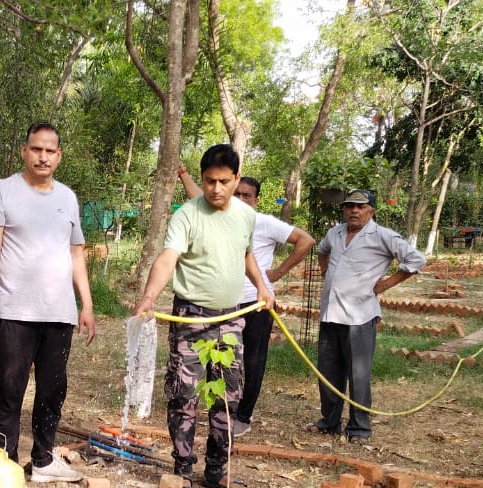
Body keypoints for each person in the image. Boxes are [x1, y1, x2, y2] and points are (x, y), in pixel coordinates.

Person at [132, 144, 274, 488]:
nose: (216, 189)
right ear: (202, 178)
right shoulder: (187, 215)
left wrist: (262, 287)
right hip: (191, 318)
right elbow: (167, 258)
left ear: (236, 178)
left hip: (232, 320)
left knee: (228, 397)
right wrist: (149, 297)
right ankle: (182, 469)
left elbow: (246, 255)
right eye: (209, 181)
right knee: (184, 396)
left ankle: (216, 468)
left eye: (224, 181)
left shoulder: (245, 216)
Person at [0, 122, 95, 482]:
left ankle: (42, 460)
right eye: (36, 149)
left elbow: (76, 254)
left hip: (59, 313)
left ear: (59, 156)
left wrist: (85, 304)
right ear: (24, 151)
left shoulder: (67, 198)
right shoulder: (3, 192)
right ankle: (7, 467)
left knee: (53, 389)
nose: (43, 156)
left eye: (50, 150)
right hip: (17, 312)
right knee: (11, 390)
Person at [177, 170, 315, 437]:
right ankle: (219, 408)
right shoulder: (216, 218)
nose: (240, 199)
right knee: (217, 357)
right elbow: (197, 197)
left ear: (256, 200)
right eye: (237, 193)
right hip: (222, 302)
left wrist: (276, 274)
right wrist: (183, 174)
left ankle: (243, 415)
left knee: (252, 360)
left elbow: (305, 241)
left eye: (247, 196)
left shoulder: (263, 222)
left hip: (255, 304)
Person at [307, 189, 426, 444]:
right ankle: (329, 422)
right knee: (328, 373)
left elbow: (416, 260)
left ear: (371, 211)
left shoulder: (381, 236)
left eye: (360, 207)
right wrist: (325, 269)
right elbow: (322, 250)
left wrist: (385, 284)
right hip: (330, 314)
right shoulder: (335, 233)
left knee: (358, 374)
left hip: (359, 317)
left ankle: (359, 428)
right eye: (349, 206)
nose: (354, 211)